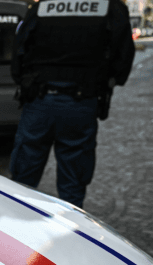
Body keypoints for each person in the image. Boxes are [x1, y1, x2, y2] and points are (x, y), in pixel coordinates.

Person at [10, 0, 135, 209]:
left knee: (23, 177)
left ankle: (15, 225)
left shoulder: (43, 7)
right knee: (74, 182)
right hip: (81, 100)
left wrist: (24, 80)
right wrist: (107, 80)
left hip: (39, 100)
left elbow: (19, 50)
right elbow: (123, 56)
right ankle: (72, 228)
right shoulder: (110, 7)